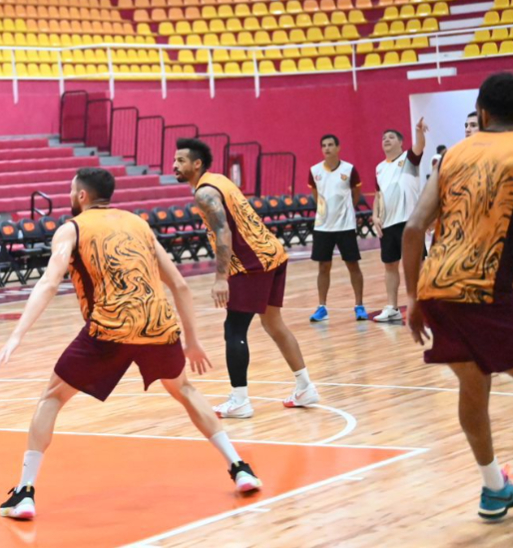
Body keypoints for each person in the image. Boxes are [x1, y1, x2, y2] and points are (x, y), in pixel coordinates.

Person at [0, 168, 262, 520]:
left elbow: (48, 281)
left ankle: (25, 493)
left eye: (72, 191)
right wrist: (191, 341)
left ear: (82, 196)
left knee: (52, 397)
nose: (71, 196)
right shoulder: (138, 224)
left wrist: (16, 336)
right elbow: (179, 284)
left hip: (110, 328)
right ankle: (239, 467)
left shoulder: (71, 228)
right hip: (158, 324)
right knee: (185, 391)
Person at [403, 72, 513, 547]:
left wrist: (414, 297)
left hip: (436, 287)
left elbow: (414, 229)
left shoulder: (454, 152)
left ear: (482, 111)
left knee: (473, 386)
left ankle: (495, 489)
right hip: (484, 291)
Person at [175, 137, 318, 419]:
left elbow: (223, 232)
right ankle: (305, 386)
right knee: (273, 323)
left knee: (234, 330)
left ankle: (239, 399)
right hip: (272, 253)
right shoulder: (220, 180)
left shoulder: (205, 193)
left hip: (251, 262)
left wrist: (220, 278)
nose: (174, 165)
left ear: (197, 164)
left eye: (181, 160)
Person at [371, 119, 427, 324]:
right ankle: (392, 308)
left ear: (401, 143)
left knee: (417, 265)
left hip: (409, 222)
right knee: (390, 266)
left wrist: (419, 132)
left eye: (391, 137)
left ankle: (423, 305)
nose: (386, 140)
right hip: (387, 224)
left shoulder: (409, 159)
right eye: (384, 138)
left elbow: (419, 146)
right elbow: (378, 195)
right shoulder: (379, 168)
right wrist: (375, 215)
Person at [307, 134, 368, 322]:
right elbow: (315, 194)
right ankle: (322, 307)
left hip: (345, 226)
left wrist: (345, 211)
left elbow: (356, 194)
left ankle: (359, 305)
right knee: (323, 267)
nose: (327, 148)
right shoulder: (314, 170)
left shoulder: (349, 169)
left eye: (331, 145)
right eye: (324, 145)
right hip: (323, 227)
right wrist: (325, 212)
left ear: (338, 147)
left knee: (352, 265)